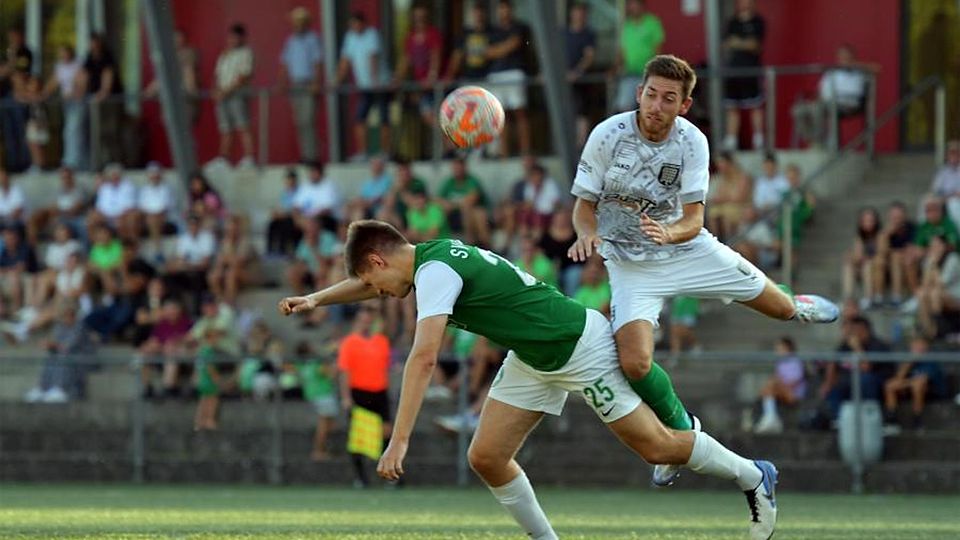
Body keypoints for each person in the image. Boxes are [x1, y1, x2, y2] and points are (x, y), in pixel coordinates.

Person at [279, 221, 778, 540]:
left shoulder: (434, 274)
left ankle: (754, 475)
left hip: (578, 346)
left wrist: (400, 438)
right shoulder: (430, 259)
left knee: (658, 447)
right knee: (487, 457)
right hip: (534, 357)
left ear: (378, 261)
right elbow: (368, 286)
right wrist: (317, 299)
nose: (379, 295)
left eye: (373, 284)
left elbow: (425, 356)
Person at [567, 54, 837, 486]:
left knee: (781, 312)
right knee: (634, 363)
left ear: (684, 105)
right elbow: (583, 207)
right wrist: (586, 234)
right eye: (651, 95)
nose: (656, 105)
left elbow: (695, 219)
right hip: (632, 266)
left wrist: (669, 235)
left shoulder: (692, 142)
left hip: (688, 250)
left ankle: (794, 303)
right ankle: (679, 431)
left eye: (668, 98)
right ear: (639, 93)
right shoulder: (607, 135)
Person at [336, 304, 392, 488]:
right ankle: (360, 477)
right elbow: (344, 371)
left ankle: (389, 476)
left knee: (386, 433)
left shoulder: (381, 341)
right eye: (364, 316)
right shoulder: (349, 343)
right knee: (358, 439)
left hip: (379, 392)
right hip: (359, 392)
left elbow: (385, 368)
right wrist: (345, 397)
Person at [790, 45, 879, 148]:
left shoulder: (860, 71)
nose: (844, 60)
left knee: (818, 108)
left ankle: (820, 143)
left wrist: (853, 65)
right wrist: (816, 99)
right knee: (798, 110)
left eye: (847, 57)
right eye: (842, 57)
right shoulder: (832, 72)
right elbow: (820, 91)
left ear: (853, 57)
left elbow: (877, 69)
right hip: (826, 101)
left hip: (848, 103)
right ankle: (813, 141)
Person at [337, 12, 391, 160]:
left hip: (380, 85)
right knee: (360, 118)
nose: (354, 27)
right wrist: (337, 80)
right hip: (364, 86)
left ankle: (384, 152)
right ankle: (363, 152)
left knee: (383, 118)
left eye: (356, 24)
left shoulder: (372, 34)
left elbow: (373, 57)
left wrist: (374, 81)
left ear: (363, 23)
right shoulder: (350, 37)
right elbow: (345, 60)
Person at [485, 1, 532, 157]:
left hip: (515, 73)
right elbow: (487, 52)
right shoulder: (491, 30)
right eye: (501, 9)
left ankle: (525, 152)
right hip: (496, 75)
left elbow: (515, 44)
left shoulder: (520, 27)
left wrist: (498, 49)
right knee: (501, 116)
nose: (504, 12)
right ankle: (504, 154)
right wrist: (504, 48)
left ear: (511, 10)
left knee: (520, 112)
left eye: (506, 8)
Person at [278, 7, 324, 162]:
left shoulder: (312, 39)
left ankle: (313, 156)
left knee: (308, 121)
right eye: (296, 22)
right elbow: (285, 63)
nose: (298, 25)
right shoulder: (290, 41)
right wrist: (282, 83)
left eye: (300, 22)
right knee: (299, 122)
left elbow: (317, 62)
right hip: (295, 84)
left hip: (308, 83)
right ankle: (305, 155)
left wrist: (316, 83)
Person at [722, 0, 766, 151]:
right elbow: (727, 44)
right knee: (732, 107)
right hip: (733, 71)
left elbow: (755, 45)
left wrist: (738, 42)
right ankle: (731, 141)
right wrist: (743, 43)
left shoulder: (758, 22)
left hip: (751, 70)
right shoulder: (732, 22)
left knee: (755, 106)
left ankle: (759, 140)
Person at [211, 24, 255, 168]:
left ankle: (249, 158)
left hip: (237, 94)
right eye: (230, 37)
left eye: (235, 37)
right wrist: (216, 90)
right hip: (223, 96)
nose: (232, 40)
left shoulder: (246, 53)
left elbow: (243, 76)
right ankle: (224, 159)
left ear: (242, 38)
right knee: (225, 128)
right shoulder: (225, 54)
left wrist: (226, 91)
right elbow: (217, 75)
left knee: (243, 126)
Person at [79, 33, 123, 168]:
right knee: (95, 132)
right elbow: (83, 75)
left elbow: (107, 78)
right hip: (95, 102)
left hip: (109, 101)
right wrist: (79, 92)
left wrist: (103, 93)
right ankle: (99, 162)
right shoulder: (89, 58)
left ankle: (114, 161)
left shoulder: (107, 58)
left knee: (110, 131)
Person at [610, 0, 664, 113]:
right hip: (629, 73)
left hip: (647, 74)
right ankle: (627, 131)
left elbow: (658, 48)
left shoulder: (652, 22)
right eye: (630, 5)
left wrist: (656, 70)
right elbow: (622, 50)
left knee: (647, 107)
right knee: (624, 107)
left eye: (635, 4)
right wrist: (614, 68)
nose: (632, 7)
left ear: (642, 6)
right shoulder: (627, 26)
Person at [883, 335, 945, 431]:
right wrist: (910, 361)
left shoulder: (931, 360)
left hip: (930, 391)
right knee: (890, 385)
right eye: (915, 344)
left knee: (918, 385)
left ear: (927, 346)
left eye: (920, 344)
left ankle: (917, 418)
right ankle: (891, 419)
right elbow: (899, 377)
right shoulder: (909, 360)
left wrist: (905, 383)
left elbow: (923, 379)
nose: (917, 347)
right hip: (910, 388)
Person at [753, 337, 806, 434]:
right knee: (769, 388)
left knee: (770, 385)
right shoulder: (780, 363)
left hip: (793, 394)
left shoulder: (795, 361)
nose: (777, 350)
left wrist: (778, 384)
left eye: (780, 348)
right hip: (783, 391)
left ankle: (771, 418)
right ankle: (770, 417)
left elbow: (794, 382)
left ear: (788, 348)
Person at [564, 2, 596, 147]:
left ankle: (580, 145)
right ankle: (565, 143)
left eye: (583, 12)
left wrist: (577, 72)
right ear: (571, 13)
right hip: (563, 79)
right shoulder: (562, 33)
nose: (580, 15)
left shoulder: (589, 34)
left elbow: (589, 56)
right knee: (565, 110)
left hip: (582, 79)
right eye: (577, 12)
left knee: (582, 111)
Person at [841, 207, 883, 309]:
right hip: (863, 268)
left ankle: (868, 298)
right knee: (848, 266)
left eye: (870, 220)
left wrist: (864, 258)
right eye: (865, 220)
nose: (868, 223)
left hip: (878, 269)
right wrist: (851, 257)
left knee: (868, 265)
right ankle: (848, 299)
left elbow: (882, 254)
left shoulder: (881, 235)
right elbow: (858, 255)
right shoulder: (859, 237)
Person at [876, 201, 915, 306]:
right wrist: (887, 234)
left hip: (906, 263)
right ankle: (877, 297)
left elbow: (912, 248)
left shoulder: (912, 228)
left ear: (904, 216)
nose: (896, 219)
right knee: (879, 261)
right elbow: (881, 252)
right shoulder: (886, 231)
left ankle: (896, 296)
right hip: (887, 267)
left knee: (896, 257)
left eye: (899, 216)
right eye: (894, 217)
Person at [931, 140, 960, 225]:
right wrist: (941, 198)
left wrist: (948, 197)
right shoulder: (943, 171)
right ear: (947, 155)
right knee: (927, 201)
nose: (953, 156)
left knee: (953, 204)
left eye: (956, 153)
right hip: (943, 198)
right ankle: (926, 233)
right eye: (951, 153)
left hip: (956, 200)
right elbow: (935, 189)